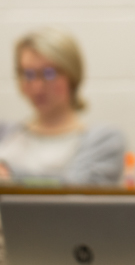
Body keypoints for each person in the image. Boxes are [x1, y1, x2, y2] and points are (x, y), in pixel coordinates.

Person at [0, 27, 125, 184]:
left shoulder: (104, 140)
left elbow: (76, 188)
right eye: (29, 74)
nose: (37, 86)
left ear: (72, 75)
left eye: (49, 73)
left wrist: (11, 177)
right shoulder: (5, 133)